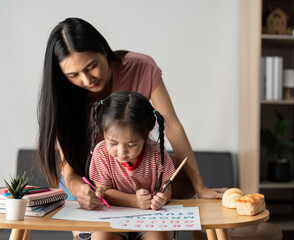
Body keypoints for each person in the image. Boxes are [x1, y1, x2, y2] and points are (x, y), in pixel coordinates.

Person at [37, 17, 226, 209]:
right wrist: (82, 192)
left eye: (91, 66)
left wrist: (200, 186)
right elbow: (69, 171)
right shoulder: (63, 97)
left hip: (138, 175)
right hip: (92, 182)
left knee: (183, 180)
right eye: (73, 75)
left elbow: (171, 124)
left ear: (103, 50)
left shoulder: (140, 67)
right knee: (91, 235)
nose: (87, 80)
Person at [86, 91, 174, 240]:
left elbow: (167, 186)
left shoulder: (156, 153)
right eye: (113, 143)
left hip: (149, 216)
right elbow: (105, 192)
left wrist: (163, 197)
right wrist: (134, 201)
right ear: (103, 133)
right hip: (112, 215)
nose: (121, 152)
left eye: (131, 144)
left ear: (145, 135)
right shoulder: (101, 153)